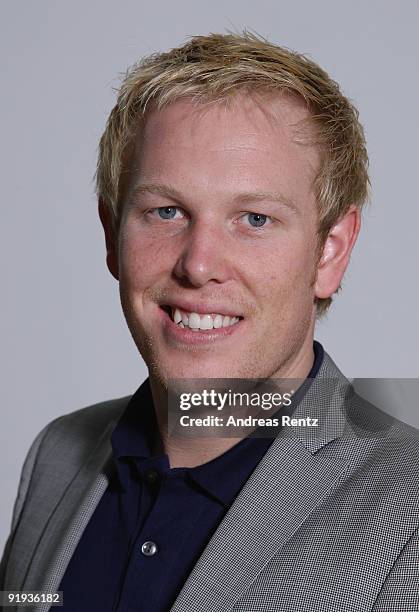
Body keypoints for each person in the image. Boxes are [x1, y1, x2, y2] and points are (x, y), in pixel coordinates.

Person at [1, 31, 418, 612]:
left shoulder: (407, 504)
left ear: (330, 252)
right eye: (165, 211)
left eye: (254, 218)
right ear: (111, 234)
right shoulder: (56, 456)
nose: (198, 265)